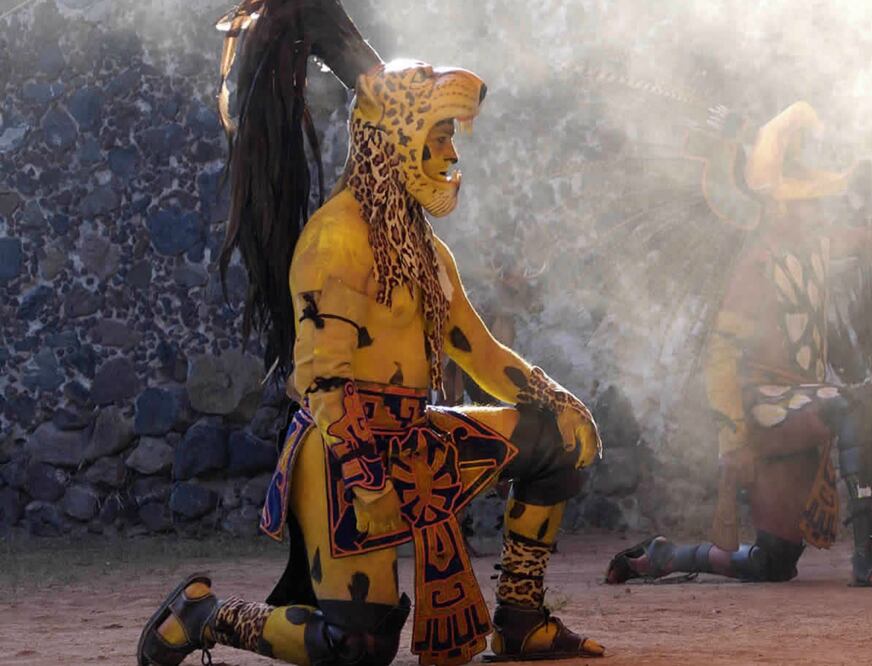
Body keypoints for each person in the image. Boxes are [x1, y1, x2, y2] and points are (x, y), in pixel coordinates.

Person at [137, 1, 604, 664]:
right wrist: (368, 481)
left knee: (553, 437)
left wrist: (558, 399)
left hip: (417, 438)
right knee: (358, 647)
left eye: (453, 137)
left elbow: (479, 352)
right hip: (342, 453)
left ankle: (521, 619)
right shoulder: (337, 241)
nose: (450, 153)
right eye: (438, 135)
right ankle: (206, 615)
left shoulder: (424, 249)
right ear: (392, 138)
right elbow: (321, 382)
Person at [606, 101, 872, 588]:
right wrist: (733, 442)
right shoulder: (756, 268)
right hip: (765, 407)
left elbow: (867, 240)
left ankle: (666, 556)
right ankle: (870, 558)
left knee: (773, 563)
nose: (814, 207)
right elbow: (722, 356)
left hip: (798, 401)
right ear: (779, 205)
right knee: (859, 402)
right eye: (805, 200)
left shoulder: (815, 246)